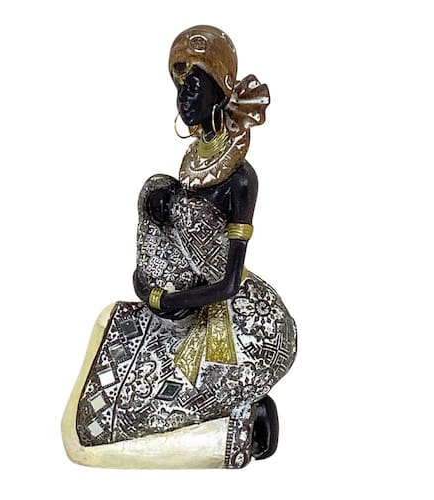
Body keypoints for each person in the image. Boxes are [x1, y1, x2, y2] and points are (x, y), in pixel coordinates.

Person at [62, 25, 297, 469]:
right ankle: (230, 406)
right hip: (186, 310)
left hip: (241, 320)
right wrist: (149, 289)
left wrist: (165, 300)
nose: (183, 97)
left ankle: (239, 427)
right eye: (178, 85)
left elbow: (228, 282)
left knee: (113, 425)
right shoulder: (188, 165)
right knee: (111, 326)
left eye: (194, 85)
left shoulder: (241, 178)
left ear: (221, 88)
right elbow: (173, 247)